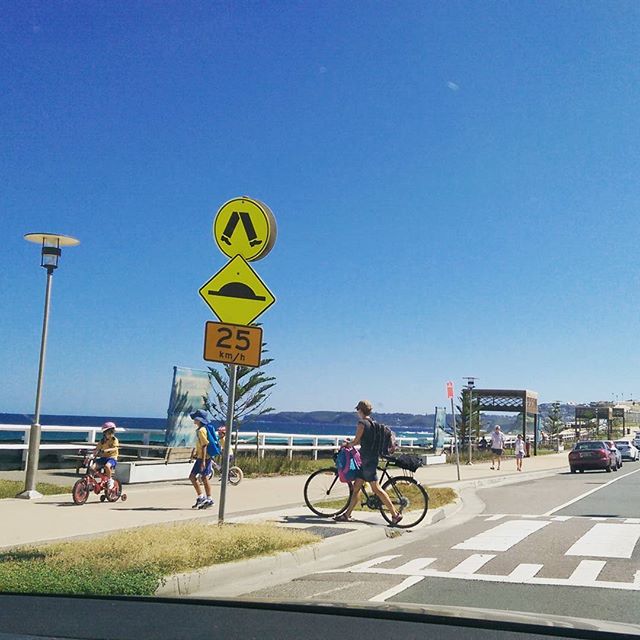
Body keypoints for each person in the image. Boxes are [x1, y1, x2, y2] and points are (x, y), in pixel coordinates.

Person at [334, 400, 402, 525]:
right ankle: (347, 514)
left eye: (357, 410)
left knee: (376, 488)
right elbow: (364, 441)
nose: (357, 413)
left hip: (367, 462)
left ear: (360, 410)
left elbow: (356, 441)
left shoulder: (362, 423)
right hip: (369, 459)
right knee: (356, 488)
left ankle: (395, 514)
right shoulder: (373, 423)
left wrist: (347, 444)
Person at [188, 410, 214, 509]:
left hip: (204, 458)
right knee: (197, 477)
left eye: (195, 418)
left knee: (202, 477)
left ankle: (208, 498)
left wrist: (202, 460)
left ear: (199, 420)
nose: (194, 419)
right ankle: (202, 497)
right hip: (201, 457)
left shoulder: (201, 430)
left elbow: (204, 445)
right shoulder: (202, 429)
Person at [93, 421, 119, 489]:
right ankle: (93, 481)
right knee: (92, 467)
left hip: (112, 458)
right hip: (103, 458)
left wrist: (106, 450)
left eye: (112, 432)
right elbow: (97, 448)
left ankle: (110, 480)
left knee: (107, 466)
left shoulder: (114, 440)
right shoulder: (102, 441)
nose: (110, 434)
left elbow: (115, 448)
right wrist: (93, 453)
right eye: (109, 432)